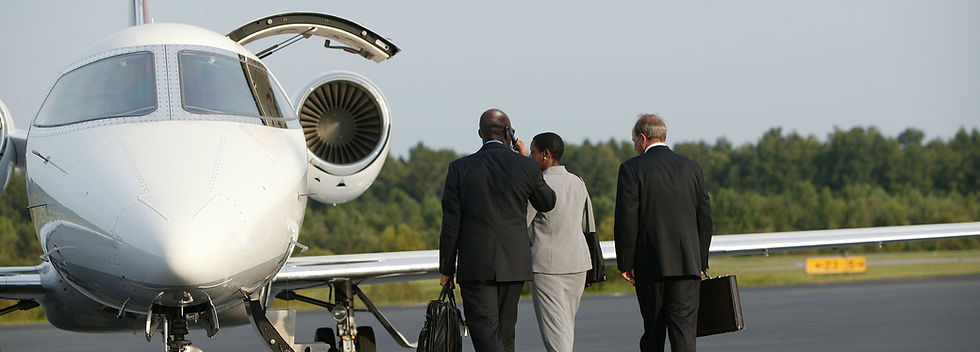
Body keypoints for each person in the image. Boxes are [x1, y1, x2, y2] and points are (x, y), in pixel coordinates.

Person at [439, 108, 557, 352]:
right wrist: (527, 161)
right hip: (513, 262)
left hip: (475, 264)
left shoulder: (459, 169)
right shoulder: (526, 167)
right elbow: (547, 203)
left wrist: (447, 269)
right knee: (505, 332)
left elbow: (451, 224)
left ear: (480, 134)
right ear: (508, 133)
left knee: (483, 328)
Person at [614, 114, 713, 352]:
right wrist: (700, 260)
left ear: (643, 137)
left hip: (650, 266)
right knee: (685, 333)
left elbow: (627, 220)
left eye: (634, 140)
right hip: (687, 266)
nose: (634, 145)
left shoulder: (631, 169)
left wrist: (625, 262)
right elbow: (705, 218)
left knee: (654, 332)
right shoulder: (692, 168)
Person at [524, 132, 594, 352]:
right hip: (578, 264)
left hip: (548, 268)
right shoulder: (578, 182)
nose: (531, 157)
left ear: (545, 154)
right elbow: (588, 226)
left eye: (533, 153)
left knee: (557, 337)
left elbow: (521, 221)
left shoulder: (539, 184)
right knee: (565, 329)